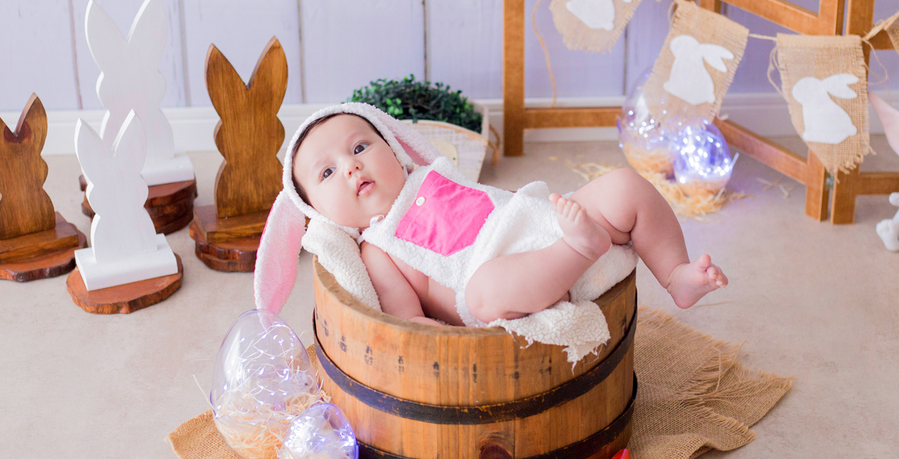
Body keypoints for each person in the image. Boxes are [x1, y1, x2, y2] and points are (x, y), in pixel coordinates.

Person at [284, 107, 726, 327]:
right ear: (318, 212)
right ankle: (578, 249)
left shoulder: (428, 175)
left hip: (536, 222)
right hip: (496, 279)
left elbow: (497, 203)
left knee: (624, 186)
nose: (351, 166)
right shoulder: (377, 248)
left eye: (360, 147)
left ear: (395, 150)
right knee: (484, 292)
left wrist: (550, 220)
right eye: (327, 172)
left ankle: (676, 275)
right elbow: (409, 324)